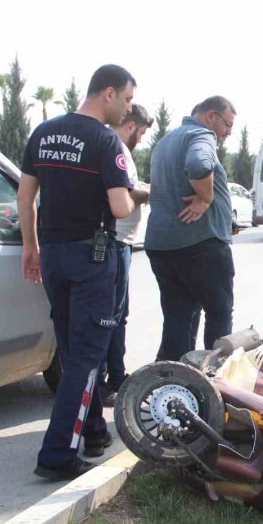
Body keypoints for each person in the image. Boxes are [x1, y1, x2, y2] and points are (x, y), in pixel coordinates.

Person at [18, 64, 136, 481]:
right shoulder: (107, 142)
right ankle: (56, 455)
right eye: (126, 99)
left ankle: (94, 431)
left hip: (52, 253)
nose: (128, 108)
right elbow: (121, 207)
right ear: (108, 93)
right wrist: (143, 193)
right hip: (92, 258)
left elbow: (26, 194)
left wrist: (31, 247)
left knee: (71, 348)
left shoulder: (44, 133)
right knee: (87, 358)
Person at [144, 96, 236, 361]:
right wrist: (206, 200)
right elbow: (198, 163)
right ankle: (212, 382)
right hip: (200, 244)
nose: (227, 132)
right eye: (227, 124)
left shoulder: (165, 141)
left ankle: (173, 384)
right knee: (219, 312)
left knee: (178, 317)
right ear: (210, 115)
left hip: (162, 246)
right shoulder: (201, 135)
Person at [100, 104, 154, 398]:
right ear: (131, 126)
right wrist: (150, 191)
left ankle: (114, 375)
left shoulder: (115, 148)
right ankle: (112, 379)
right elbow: (126, 196)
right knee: (114, 315)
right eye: (142, 132)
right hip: (116, 241)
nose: (142, 139)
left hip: (119, 242)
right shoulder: (117, 148)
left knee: (118, 314)